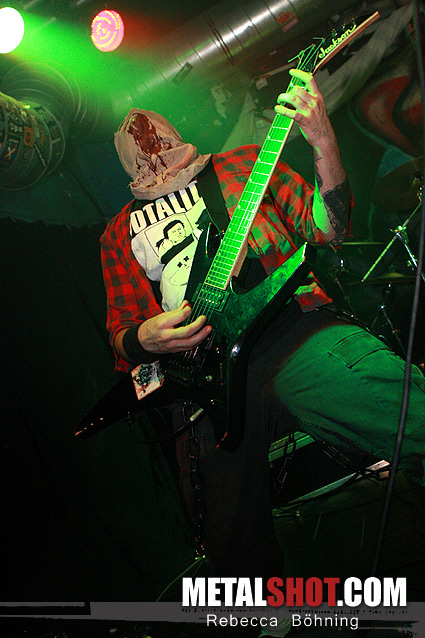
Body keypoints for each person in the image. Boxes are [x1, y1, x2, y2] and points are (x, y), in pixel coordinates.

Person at [101, 69, 425, 637]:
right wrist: (145, 337)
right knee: (230, 553)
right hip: (204, 380)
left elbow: (330, 230)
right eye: (143, 160)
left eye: (161, 150)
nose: (154, 161)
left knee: (407, 414)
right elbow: (122, 331)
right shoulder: (117, 233)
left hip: (289, 334)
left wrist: (323, 140)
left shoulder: (246, 164)